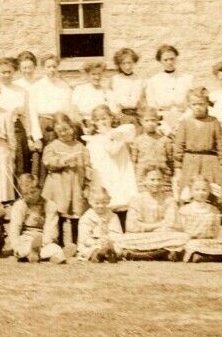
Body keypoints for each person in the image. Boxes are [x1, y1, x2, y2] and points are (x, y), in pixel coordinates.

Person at [171, 88, 222, 207]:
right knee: (188, 191)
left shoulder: (214, 122)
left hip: (210, 162)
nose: (198, 107)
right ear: (189, 105)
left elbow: (221, 145)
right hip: (190, 161)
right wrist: (178, 168)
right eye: (194, 104)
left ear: (207, 104)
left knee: (212, 190)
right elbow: (179, 146)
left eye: (201, 104)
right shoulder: (185, 122)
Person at [116, 167, 188, 259]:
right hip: (141, 236)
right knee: (122, 239)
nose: (156, 183)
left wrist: (145, 227)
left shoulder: (170, 200)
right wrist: (159, 225)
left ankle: (140, 254)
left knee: (183, 237)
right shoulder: (136, 199)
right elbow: (131, 227)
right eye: (152, 180)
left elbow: (171, 224)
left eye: (159, 179)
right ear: (144, 181)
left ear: (163, 181)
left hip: (162, 236)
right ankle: (160, 253)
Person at [39, 114, 88, 248]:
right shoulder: (52, 146)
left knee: (76, 214)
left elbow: (87, 165)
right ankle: (59, 243)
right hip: (59, 185)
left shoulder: (80, 147)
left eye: (66, 129)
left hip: (76, 184)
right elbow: (47, 162)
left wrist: (87, 183)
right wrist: (62, 161)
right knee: (58, 214)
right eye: (59, 131)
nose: (63, 133)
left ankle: (76, 243)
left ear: (72, 128)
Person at [83, 105, 138, 221]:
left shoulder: (119, 133)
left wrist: (107, 133)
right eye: (98, 120)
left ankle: (121, 226)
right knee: (105, 201)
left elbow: (112, 150)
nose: (101, 122)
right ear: (94, 122)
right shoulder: (93, 139)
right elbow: (91, 159)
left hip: (118, 171)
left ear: (111, 118)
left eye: (104, 118)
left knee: (121, 201)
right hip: (103, 173)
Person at [179, 176, 222, 262]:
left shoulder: (214, 210)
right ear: (191, 192)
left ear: (209, 192)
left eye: (204, 190)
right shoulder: (185, 210)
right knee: (192, 245)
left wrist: (212, 238)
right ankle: (206, 256)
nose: (201, 193)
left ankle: (204, 256)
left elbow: (216, 231)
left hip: (210, 242)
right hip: (192, 241)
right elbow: (182, 230)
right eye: (197, 190)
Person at [7, 172, 63, 263]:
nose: (30, 196)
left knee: (54, 248)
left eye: (33, 192)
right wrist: (15, 245)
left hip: (43, 238)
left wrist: (44, 243)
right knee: (23, 249)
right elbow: (15, 227)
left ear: (40, 190)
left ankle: (45, 255)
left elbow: (51, 227)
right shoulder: (19, 205)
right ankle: (36, 254)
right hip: (26, 238)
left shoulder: (49, 205)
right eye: (25, 193)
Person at [145, 45, 193, 131]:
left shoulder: (187, 78)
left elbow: (192, 103)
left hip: (183, 118)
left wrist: (183, 120)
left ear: (176, 58)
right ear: (160, 61)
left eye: (172, 59)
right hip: (162, 121)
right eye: (165, 60)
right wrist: (162, 124)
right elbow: (152, 105)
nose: (169, 62)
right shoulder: (154, 80)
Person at [76, 187, 123, 262]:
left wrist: (109, 240)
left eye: (104, 202)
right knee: (89, 249)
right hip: (91, 244)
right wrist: (96, 242)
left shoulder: (112, 216)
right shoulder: (86, 218)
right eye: (97, 203)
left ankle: (109, 254)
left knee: (118, 247)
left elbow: (117, 233)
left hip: (109, 242)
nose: (101, 206)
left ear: (108, 201)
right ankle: (97, 255)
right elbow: (84, 238)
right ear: (90, 202)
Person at [129, 107, 172, 187]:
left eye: (153, 120)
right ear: (141, 121)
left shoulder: (165, 140)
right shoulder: (137, 141)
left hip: (162, 177)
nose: (150, 123)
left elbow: (170, 161)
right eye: (147, 120)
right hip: (143, 177)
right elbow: (133, 162)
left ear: (157, 120)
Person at [108, 48, 146, 124]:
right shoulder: (115, 80)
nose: (127, 67)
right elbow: (111, 101)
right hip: (120, 116)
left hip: (136, 116)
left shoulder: (140, 80)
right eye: (123, 63)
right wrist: (118, 115)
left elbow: (142, 102)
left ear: (134, 62)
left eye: (129, 62)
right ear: (119, 64)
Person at [70, 60, 110, 129]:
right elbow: (74, 111)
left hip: (103, 126)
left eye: (99, 74)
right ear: (87, 75)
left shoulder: (107, 91)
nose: (97, 77)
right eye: (93, 74)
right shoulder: (79, 90)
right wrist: (83, 124)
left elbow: (111, 113)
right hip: (83, 126)